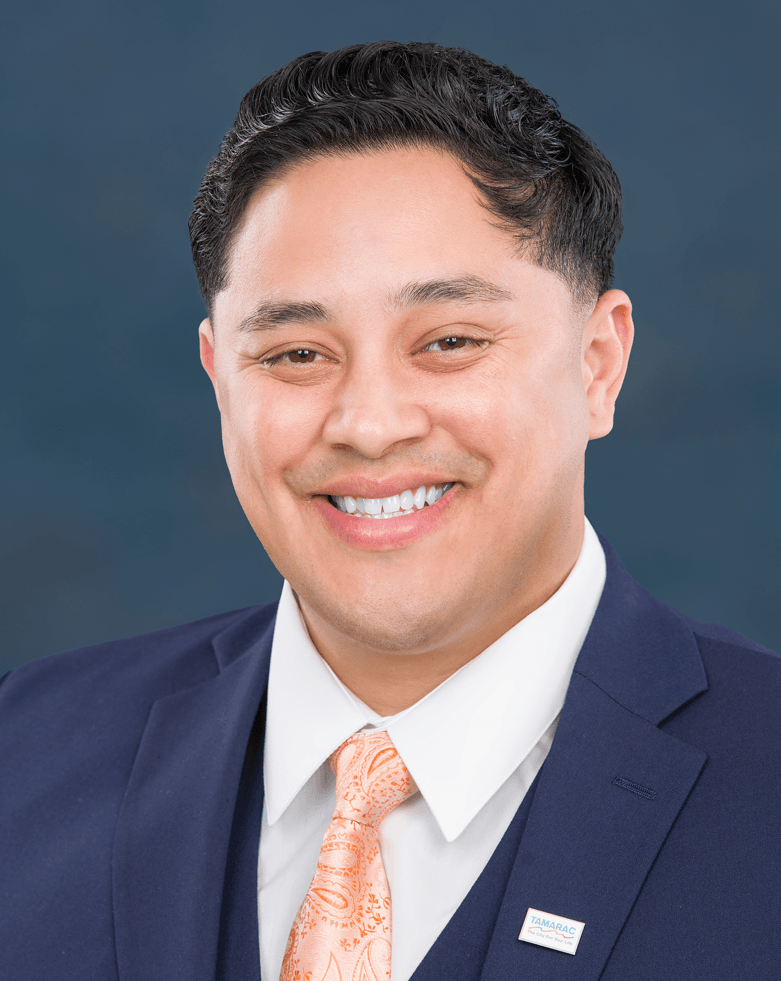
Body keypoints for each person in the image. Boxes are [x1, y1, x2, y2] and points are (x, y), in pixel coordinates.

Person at [1, 40, 779, 981]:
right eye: (294, 353)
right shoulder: (26, 748)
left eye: (448, 340)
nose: (367, 425)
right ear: (219, 380)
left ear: (597, 363)